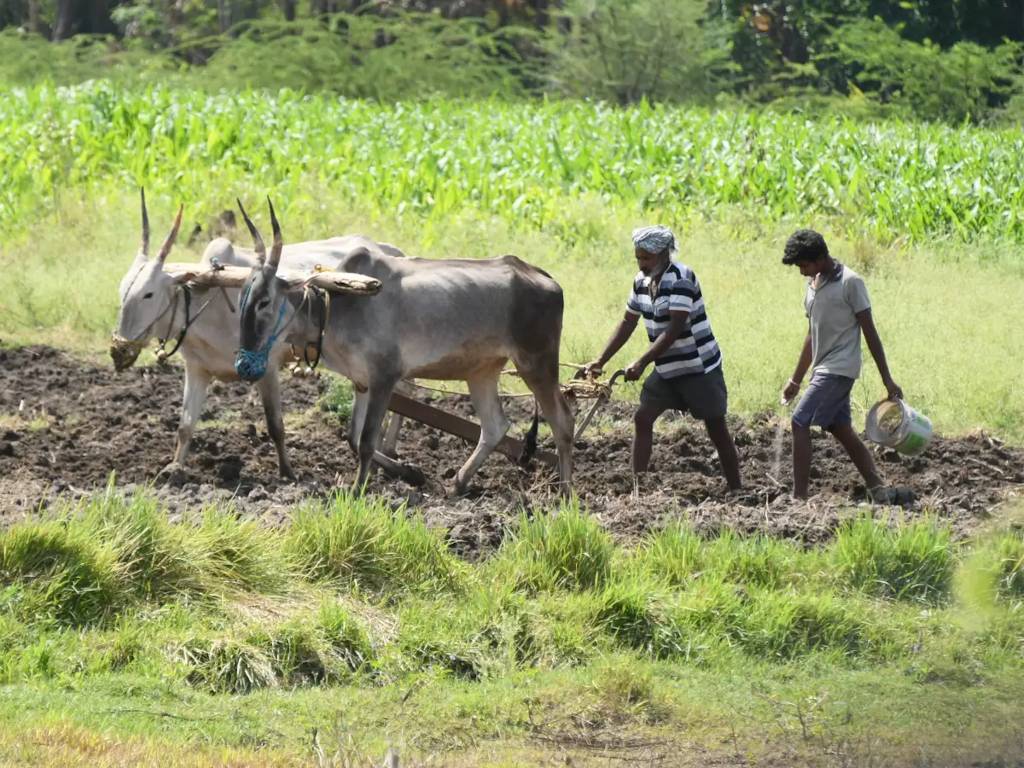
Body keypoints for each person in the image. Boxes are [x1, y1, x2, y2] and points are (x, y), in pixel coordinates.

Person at [582, 225, 741, 491]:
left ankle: (737, 487)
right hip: (668, 368)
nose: (642, 264)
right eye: (638, 258)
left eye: (647, 258)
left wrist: (641, 362)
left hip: (698, 367)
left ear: (664, 254)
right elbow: (627, 323)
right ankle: (638, 487)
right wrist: (601, 360)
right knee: (643, 418)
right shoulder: (640, 282)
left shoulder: (681, 278)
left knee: (716, 429)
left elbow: (673, 330)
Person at [780, 229, 904, 501]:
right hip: (822, 368)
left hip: (839, 369)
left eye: (804, 265)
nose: (802, 272)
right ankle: (877, 487)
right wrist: (795, 380)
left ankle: (798, 498)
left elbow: (870, 332)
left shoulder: (851, 282)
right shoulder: (812, 285)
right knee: (840, 428)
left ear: (821, 257)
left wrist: (887, 379)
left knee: (799, 422)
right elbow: (812, 335)